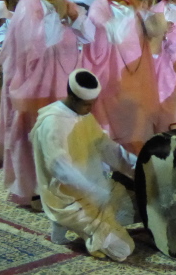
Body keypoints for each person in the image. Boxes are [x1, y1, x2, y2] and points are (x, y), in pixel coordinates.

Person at [0, 0, 95, 206]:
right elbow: (36, 45)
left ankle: (61, 184)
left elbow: (88, 36)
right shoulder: (28, 6)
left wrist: (74, 18)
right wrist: (58, 16)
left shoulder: (62, 2)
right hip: (33, 83)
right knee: (36, 133)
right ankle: (34, 189)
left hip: (60, 78)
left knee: (60, 132)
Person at [29, 69, 138, 261]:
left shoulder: (83, 115)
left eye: (92, 103)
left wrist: (137, 166)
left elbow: (105, 146)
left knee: (141, 208)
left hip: (96, 190)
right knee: (123, 250)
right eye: (87, 104)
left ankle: (85, 226)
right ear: (72, 97)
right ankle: (72, 224)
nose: (90, 108)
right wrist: (94, 191)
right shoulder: (53, 123)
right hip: (68, 199)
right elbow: (60, 169)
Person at [83, 0, 161, 154]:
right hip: (114, 73)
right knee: (117, 124)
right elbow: (113, 32)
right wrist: (135, 14)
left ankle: (139, 161)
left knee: (139, 121)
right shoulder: (99, 7)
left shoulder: (132, 4)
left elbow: (154, 31)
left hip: (138, 72)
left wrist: (149, 11)